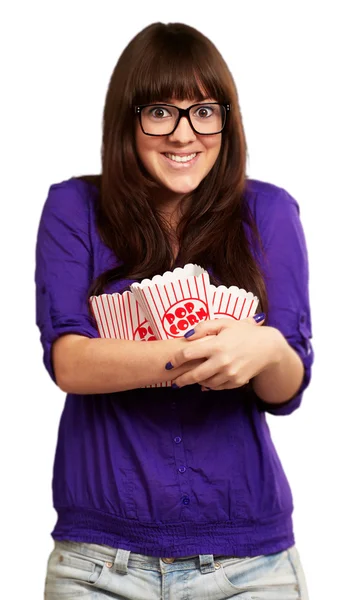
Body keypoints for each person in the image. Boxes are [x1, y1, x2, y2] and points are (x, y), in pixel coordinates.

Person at [35, 21, 314, 600]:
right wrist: (201, 352)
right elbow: (72, 363)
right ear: (127, 120)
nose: (185, 134)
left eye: (204, 111)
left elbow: (285, 388)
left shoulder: (270, 211)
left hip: (250, 565)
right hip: (99, 564)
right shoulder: (73, 207)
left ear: (226, 121)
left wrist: (265, 349)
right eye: (161, 111)